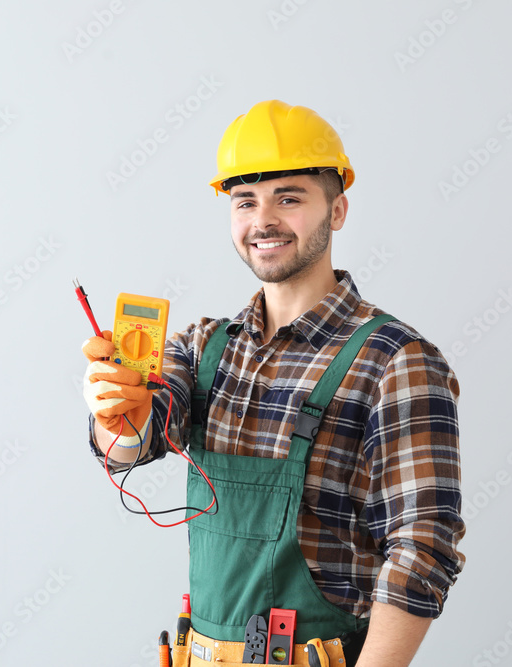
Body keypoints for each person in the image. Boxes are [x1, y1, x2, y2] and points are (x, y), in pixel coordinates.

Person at [82, 100, 465, 667]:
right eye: (245, 202)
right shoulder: (202, 347)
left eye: (289, 197)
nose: (264, 221)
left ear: (337, 210)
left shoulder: (396, 361)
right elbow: (133, 446)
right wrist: (116, 411)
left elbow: (422, 545)